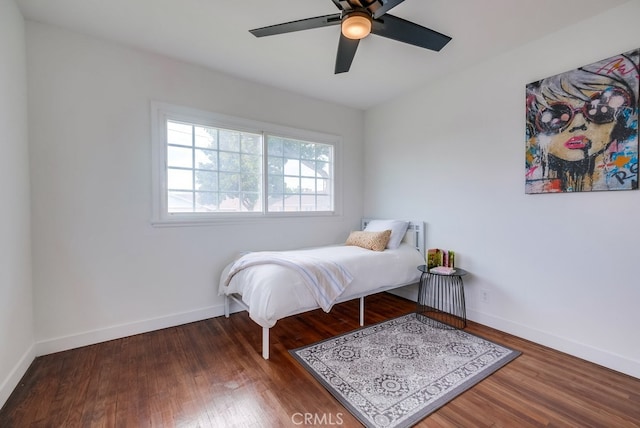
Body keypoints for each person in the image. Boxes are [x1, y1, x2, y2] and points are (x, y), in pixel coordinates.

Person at [525, 49, 638, 193]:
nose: (578, 125)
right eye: (557, 115)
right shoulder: (535, 181)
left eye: (599, 110)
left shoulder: (625, 177)